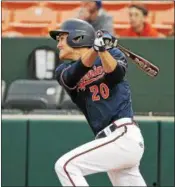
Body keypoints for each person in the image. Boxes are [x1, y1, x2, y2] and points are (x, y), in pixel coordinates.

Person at [49, 18, 146, 186]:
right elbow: (73, 76)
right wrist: (96, 48)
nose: (58, 45)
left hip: (123, 134)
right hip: (110, 142)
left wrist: (102, 49)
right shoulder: (62, 70)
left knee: (66, 166)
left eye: (62, 39)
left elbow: (116, 74)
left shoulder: (112, 54)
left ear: (77, 37)